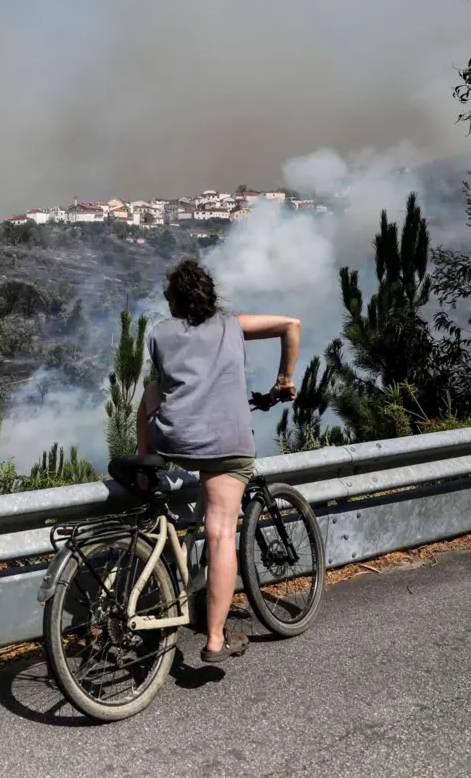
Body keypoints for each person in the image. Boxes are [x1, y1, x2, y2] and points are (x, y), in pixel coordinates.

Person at [137, 258, 300, 663]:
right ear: (209, 297)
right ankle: (214, 638)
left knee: (152, 389)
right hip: (226, 445)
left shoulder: (159, 334)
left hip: (172, 439)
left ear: (174, 301)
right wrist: (284, 380)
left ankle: (144, 463)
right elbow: (291, 326)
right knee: (222, 533)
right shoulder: (233, 324)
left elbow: (169, 383)